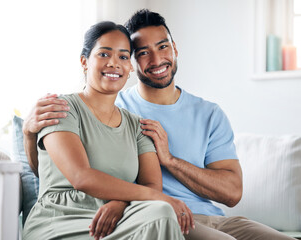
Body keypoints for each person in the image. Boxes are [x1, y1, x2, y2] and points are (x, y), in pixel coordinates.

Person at [23, 10, 295, 240]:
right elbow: (58, 172)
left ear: (174, 49)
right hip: (156, 215)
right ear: (135, 63)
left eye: (162, 46)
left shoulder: (206, 114)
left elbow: (233, 192)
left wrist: (170, 160)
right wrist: (28, 133)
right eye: (142, 52)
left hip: (211, 217)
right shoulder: (106, 106)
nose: (155, 60)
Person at [22, 21, 192, 240]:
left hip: (117, 217)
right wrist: (162, 198)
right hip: (62, 217)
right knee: (162, 207)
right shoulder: (60, 108)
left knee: (161, 213)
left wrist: (121, 202)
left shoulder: (137, 126)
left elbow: (152, 184)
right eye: (104, 54)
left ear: (130, 67)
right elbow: (81, 177)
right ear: (84, 62)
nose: (114, 63)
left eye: (123, 57)